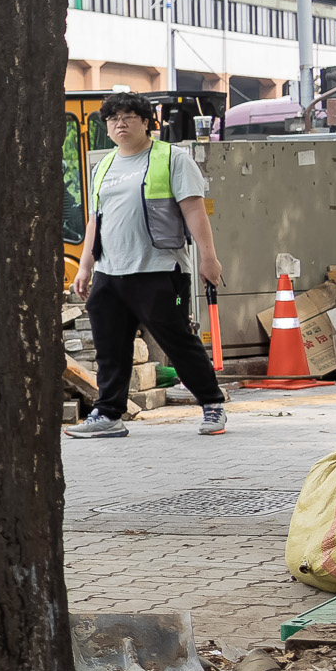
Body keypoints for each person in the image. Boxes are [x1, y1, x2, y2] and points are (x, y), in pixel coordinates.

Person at [69, 93, 226, 438]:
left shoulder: (172, 158)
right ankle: (109, 413)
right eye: (113, 119)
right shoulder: (104, 166)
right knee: (110, 346)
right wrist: (85, 266)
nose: (120, 124)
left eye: (128, 117)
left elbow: (194, 210)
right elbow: (95, 220)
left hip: (159, 268)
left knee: (177, 341)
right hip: (110, 272)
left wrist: (208, 258)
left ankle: (212, 404)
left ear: (145, 122)